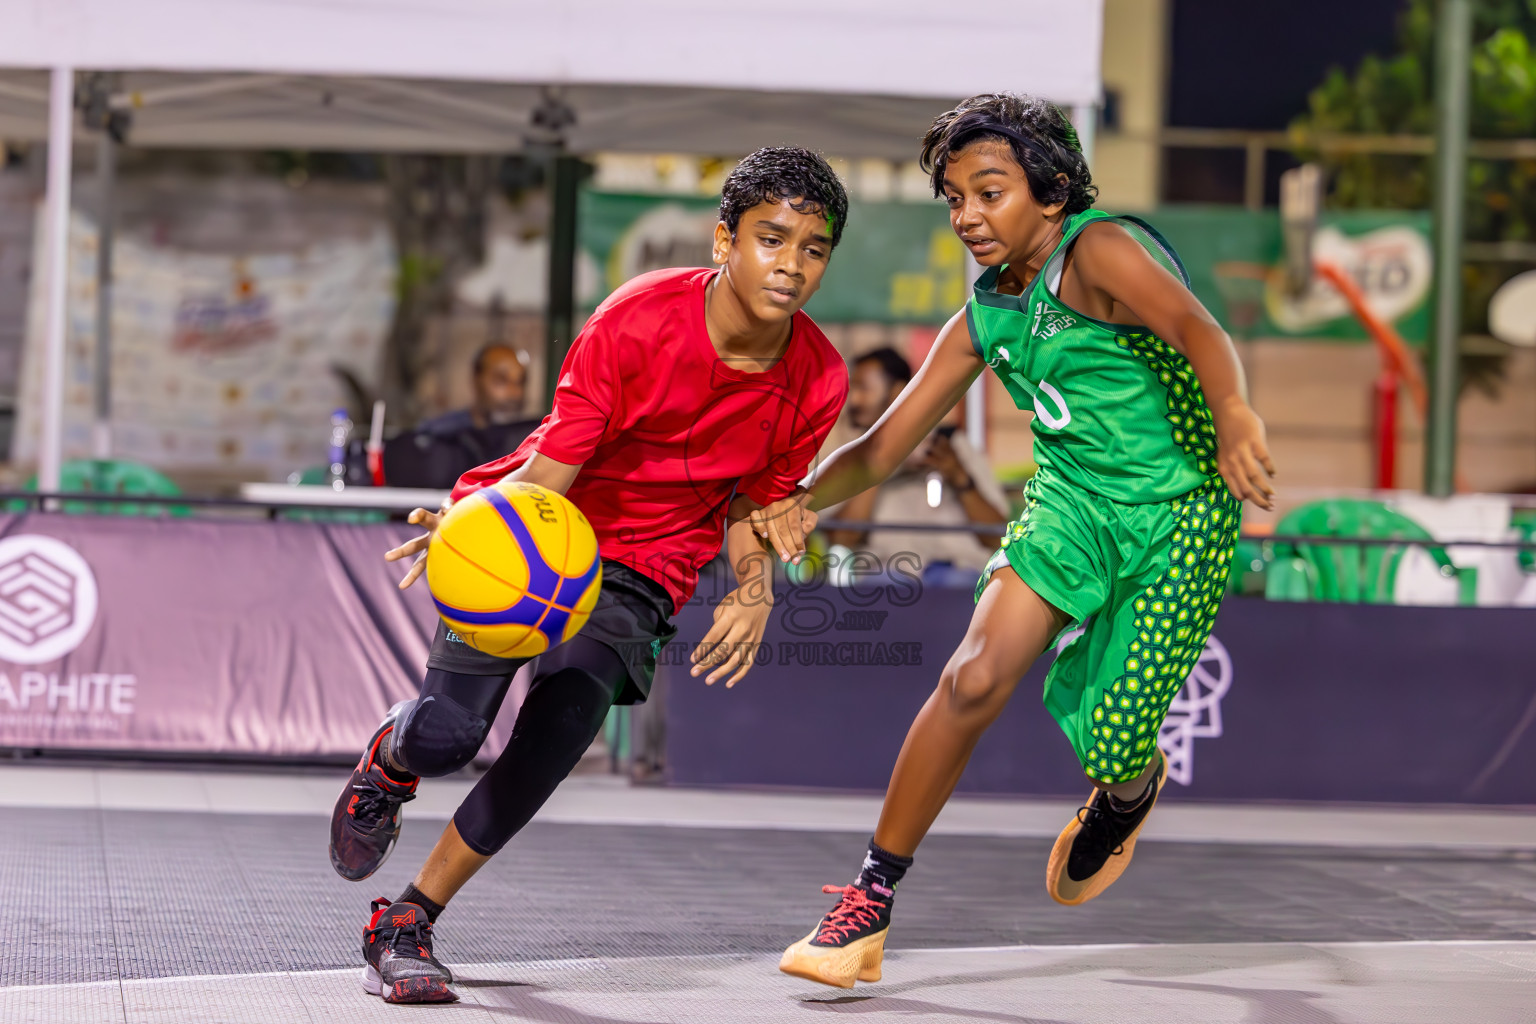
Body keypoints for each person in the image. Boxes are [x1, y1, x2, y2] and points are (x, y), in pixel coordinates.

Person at [751, 94, 1277, 989]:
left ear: (1051, 189)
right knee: (972, 677)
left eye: (988, 192)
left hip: (1182, 511)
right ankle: (867, 906)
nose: (967, 217)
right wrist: (794, 497)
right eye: (953, 198)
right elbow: (885, 446)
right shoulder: (983, 315)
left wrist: (1231, 409)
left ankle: (1127, 785)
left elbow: (1199, 329)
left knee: (1112, 738)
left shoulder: (1103, 249)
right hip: (1072, 506)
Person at [328, 147, 851, 1004]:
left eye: (814, 248)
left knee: (552, 742)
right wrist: (470, 533)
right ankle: (394, 756)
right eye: (771, 239)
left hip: (645, 569)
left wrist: (753, 589)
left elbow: (755, 503)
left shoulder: (818, 376)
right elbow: (553, 477)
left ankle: (408, 918)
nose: (792, 265)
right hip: (542, 525)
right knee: (450, 737)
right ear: (725, 240)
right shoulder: (639, 317)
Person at [824, 346, 1009, 584]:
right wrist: (879, 467)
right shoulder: (848, 461)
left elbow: (998, 537)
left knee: (962, 585)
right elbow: (842, 538)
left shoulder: (953, 445)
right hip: (888, 579)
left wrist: (959, 476)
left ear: (898, 392)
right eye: (852, 389)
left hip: (958, 579)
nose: (854, 400)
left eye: (864, 389)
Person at [382, 344, 542, 490]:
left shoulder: (534, 442)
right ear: (476, 379)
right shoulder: (438, 435)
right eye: (500, 380)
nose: (514, 393)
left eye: (520, 382)